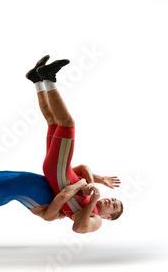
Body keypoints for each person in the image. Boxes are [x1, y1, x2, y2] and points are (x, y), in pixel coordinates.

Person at [25, 55, 124, 234]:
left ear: (108, 217)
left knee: (67, 124)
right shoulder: (88, 193)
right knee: (53, 122)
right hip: (58, 169)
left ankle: (48, 77)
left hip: (57, 171)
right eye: (113, 200)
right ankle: (37, 80)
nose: (110, 201)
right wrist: (95, 182)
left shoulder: (96, 219)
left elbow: (78, 228)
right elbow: (82, 167)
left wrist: (92, 196)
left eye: (113, 206)